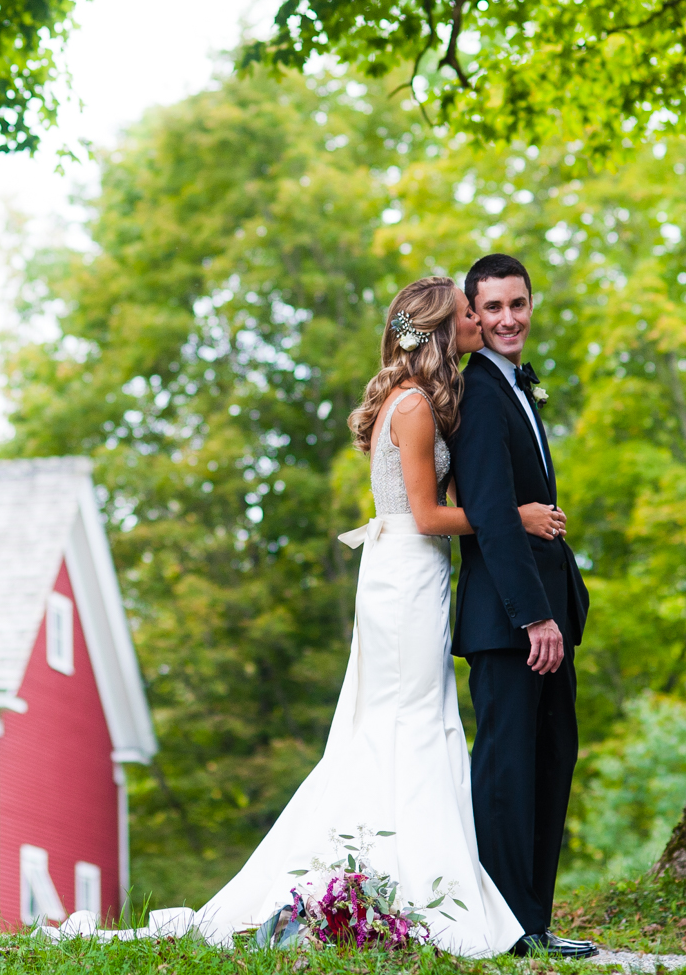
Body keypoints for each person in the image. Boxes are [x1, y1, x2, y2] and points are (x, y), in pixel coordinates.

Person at [179, 276, 567, 955]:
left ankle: (400, 875)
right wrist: (516, 517)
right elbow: (426, 515)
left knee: (406, 721)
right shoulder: (415, 405)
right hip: (406, 574)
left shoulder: (418, 398)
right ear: (448, 329)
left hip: (408, 570)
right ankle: (405, 882)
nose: (483, 321)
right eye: (470, 314)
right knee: (410, 723)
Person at [450, 253, 594, 959]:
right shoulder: (478, 395)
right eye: (493, 307)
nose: (508, 318)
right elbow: (489, 514)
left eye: (518, 303)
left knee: (550, 760)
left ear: (531, 304)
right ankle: (504, 926)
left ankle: (532, 921)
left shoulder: (514, 387)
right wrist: (533, 616)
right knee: (509, 769)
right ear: (472, 315)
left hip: (547, 615)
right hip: (512, 621)